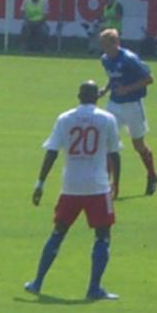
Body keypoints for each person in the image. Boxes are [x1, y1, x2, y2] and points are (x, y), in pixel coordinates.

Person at [24, 80, 122, 301]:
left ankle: (37, 281)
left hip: (70, 186)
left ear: (78, 96)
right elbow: (115, 153)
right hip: (97, 186)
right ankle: (94, 288)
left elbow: (52, 152)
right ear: (97, 96)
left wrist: (40, 183)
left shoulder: (65, 118)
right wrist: (116, 182)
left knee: (58, 232)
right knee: (102, 236)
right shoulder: (107, 119)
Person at [98, 28, 157, 195]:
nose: (104, 49)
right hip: (114, 105)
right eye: (102, 45)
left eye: (106, 45)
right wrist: (105, 89)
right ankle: (108, 185)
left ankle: (152, 174)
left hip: (132, 105)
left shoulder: (129, 59)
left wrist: (128, 89)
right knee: (107, 142)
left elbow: (149, 78)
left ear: (116, 43)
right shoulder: (105, 59)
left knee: (138, 145)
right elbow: (113, 77)